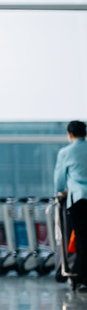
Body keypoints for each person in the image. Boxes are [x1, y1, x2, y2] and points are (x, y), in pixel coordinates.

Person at [55, 120, 87, 291]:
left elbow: (59, 180)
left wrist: (60, 191)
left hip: (79, 199)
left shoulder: (66, 152)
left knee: (80, 238)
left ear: (69, 134)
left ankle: (81, 277)